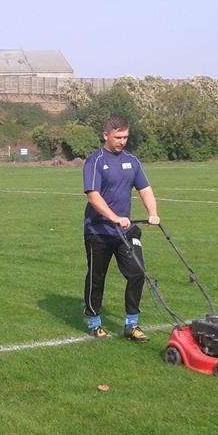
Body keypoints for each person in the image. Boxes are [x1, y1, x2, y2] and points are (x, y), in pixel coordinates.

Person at [82, 116, 160, 341]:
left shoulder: (132, 161)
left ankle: (132, 324)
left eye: (125, 137)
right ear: (106, 135)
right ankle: (94, 321)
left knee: (138, 272)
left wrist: (152, 213)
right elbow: (93, 196)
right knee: (97, 278)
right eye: (118, 137)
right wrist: (114, 217)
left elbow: (145, 189)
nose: (122, 141)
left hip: (126, 231)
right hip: (98, 232)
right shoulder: (95, 161)